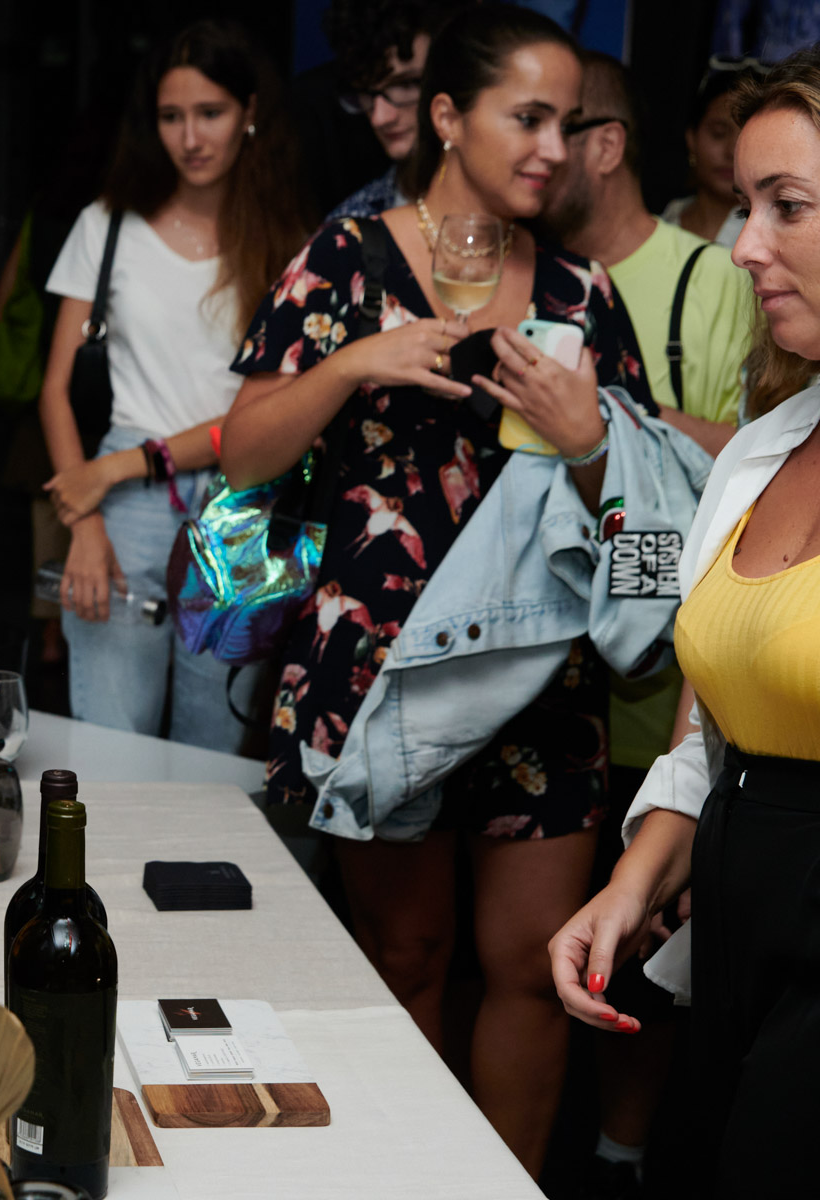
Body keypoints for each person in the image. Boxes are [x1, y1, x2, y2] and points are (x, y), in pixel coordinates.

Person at [222, 6, 652, 1176]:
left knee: (533, 969)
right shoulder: (344, 260)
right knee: (404, 959)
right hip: (381, 672)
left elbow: (647, 519)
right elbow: (243, 456)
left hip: (540, 680)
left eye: (568, 123)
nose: (554, 148)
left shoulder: (581, 292)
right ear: (450, 117)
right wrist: (355, 363)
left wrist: (592, 441)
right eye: (529, 118)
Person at [548, 48, 820, 1196]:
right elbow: (711, 731)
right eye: (746, 205)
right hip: (737, 926)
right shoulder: (759, 451)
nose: (744, 245)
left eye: (787, 207)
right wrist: (633, 885)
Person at [37, 19, 310, 749]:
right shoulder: (107, 225)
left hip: (243, 496)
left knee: (212, 751)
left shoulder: (289, 245)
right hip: (121, 503)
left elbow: (280, 414)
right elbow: (55, 389)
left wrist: (119, 470)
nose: (190, 137)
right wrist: (84, 525)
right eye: (170, 116)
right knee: (111, 743)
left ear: (250, 112)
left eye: (210, 113)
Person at [320, 0, 465, 222]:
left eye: (405, 85)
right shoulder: (352, 226)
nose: (379, 118)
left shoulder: (516, 204)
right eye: (365, 93)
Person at [662, 61, 766, 247]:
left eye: (747, 138)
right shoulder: (664, 222)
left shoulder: (775, 239)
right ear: (691, 139)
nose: (732, 152)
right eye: (719, 133)